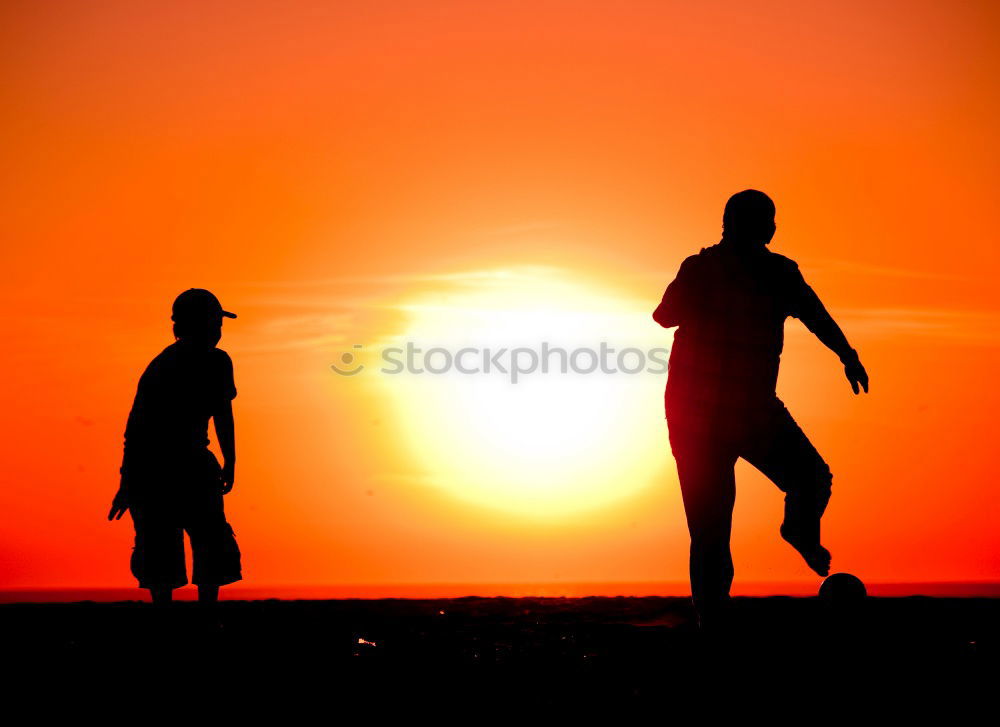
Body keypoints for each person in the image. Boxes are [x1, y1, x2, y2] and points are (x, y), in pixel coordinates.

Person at [653, 190, 868, 629]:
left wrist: (847, 353)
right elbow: (665, 316)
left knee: (728, 521)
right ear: (762, 226)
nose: (772, 228)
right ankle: (714, 620)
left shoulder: (752, 271)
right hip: (709, 417)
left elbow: (814, 314)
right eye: (769, 220)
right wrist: (847, 354)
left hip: (735, 412)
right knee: (715, 526)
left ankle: (795, 533)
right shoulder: (732, 270)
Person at [108, 288, 242, 605]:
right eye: (213, 323)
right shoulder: (166, 367)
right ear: (196, 325)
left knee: (209, 546)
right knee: (163, 554)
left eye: (219, 325)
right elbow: (137, 429)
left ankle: (203, 620)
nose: (217, 331)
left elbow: (223, 413)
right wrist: (128, 482)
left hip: (184, 467)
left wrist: (230, 461)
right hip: (158, 471)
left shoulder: (215, 362)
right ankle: (171, 625)